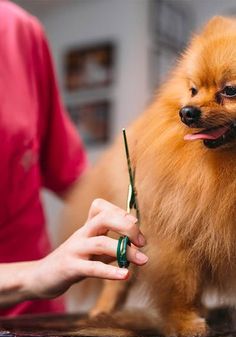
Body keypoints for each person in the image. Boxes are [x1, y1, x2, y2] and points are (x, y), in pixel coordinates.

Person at [0, 0, 148, 316]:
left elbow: (76, 178)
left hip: (40, 320)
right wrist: (33, 275)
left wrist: (151, 198)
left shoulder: (18, 30)